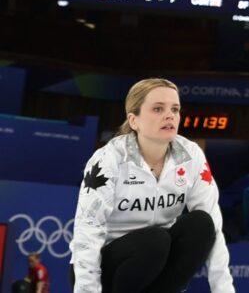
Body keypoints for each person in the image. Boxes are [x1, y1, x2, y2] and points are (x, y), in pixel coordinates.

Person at [70, 78, 232, 293]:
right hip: (106, 268)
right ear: (134, 120)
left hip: (155, 267)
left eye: (175, 109)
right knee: (155, 240)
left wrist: (224, 290)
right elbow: (87, 229)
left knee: (201, 224)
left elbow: (214, 226)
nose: (170, 115)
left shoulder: (191, 155)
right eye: (158, 109)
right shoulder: (108, 160)